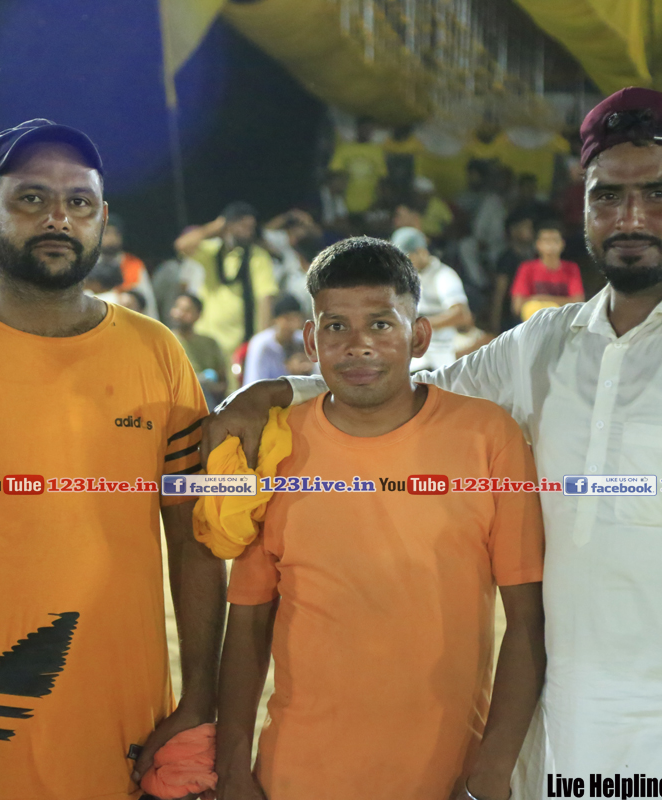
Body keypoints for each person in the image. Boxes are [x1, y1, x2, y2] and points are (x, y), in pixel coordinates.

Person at [206, 88, 662, 785]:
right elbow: (407, 386)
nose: (630, 217)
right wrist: (270, 393)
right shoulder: (547, 345)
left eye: (659, 194)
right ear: (583, 210)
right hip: (553, 756)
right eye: (607, 196)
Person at [0, 119, 225, 800]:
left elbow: (194, 542)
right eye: (31, 198)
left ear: (102, 218)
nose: (58, 217)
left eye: (79, 201)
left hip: (129, 730)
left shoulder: (160, 356)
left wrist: (199, 700)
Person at [215, 236, 545, 800]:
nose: (358, 345)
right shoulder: (274, 446)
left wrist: (490, 777)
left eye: (381, 324)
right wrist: (230, 770)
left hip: (446, 780)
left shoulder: (488, 438)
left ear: (419, 336)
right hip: (295, 776)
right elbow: (247, 621)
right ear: (311, 341)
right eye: (336, 327)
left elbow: (528, 620)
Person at [175, 203, 278, 359]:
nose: (248, 232)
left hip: (239, 344)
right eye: (242, 226)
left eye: (251, 227)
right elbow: (182, 245)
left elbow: (265, 298)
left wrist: (260, 342)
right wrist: (218, 224)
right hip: (207, 338)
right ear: (228, 226)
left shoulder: (257, 256)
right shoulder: (213, 252)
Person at [390, 227, 471, 372]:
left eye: (407, 257)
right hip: (412, 346)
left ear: (421, 252)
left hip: (440, 347)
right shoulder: (404, 278)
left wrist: (419, 326)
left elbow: (461, 315)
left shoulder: (444, 275)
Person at [510, 219, 586, 320]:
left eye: (554, 240)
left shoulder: (571, 268)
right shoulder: (527, 268)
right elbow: (517, 306)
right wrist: (561, 302)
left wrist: (540, 299)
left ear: (562, 244)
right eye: (546, 240)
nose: (550, 245)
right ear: (538, 244)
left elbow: (579, 304)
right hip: (533, 324)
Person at [170, 292, 229, 409]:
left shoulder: (210, 343)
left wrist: (209, 386)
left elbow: (223, 382)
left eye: (186, 310)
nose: (180, 314)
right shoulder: (164, 340)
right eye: (177, 308)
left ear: (198, 315)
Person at [99, 215, 157, 318]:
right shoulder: (88, 265)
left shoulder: (134, 264)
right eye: (106, 233)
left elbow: (148, 303)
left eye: (116, 234)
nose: (111, 238)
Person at [327, 116, 387, 216]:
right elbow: (335, 175)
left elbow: (381, 178)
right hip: (344, 208)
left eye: (369, 129)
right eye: (364, 128)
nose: (366, 132)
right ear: (358, 128)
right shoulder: (344, 149)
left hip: (370, 207)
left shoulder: (378, 151)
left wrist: (378, 203)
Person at [243, 294, 306, 386]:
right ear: (275, 320)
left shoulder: (303, 341)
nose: (292, 325)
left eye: (296, 319)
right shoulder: (261, 344)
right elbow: (253, 384)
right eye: (287, 319)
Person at [491, 210, 536, 332]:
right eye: (526, 227)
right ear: (513, 230)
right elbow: (499, 293)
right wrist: (495, 324)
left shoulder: (533, 256)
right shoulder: (507, 259)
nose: (530, 231)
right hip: (510, 320)